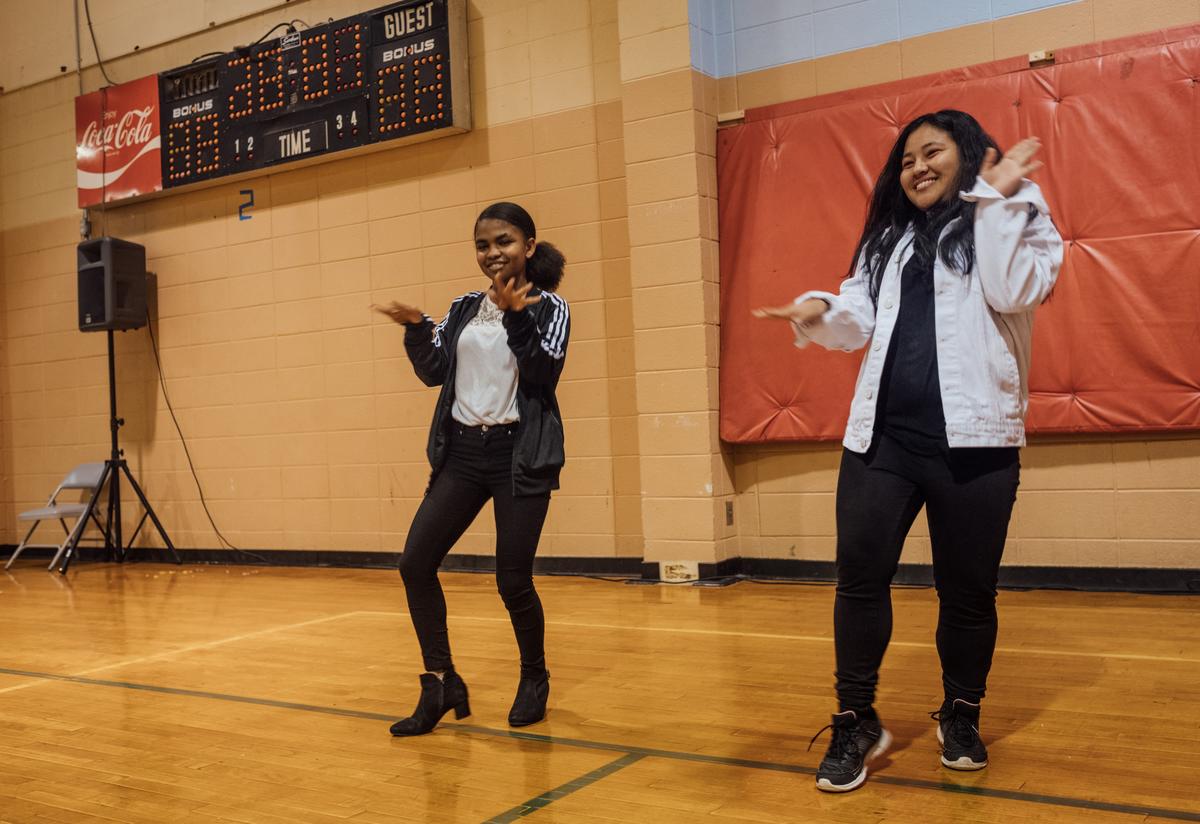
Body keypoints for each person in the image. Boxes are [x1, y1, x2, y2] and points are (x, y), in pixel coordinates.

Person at [754, 110, 1063, 792]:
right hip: (882, 440)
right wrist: (818, 311)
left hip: (976, 444)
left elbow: (1015, 289)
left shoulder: (1018, 206)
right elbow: (856, 316)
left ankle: (961, 712)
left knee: (968, 592)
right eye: (905, 159)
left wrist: (999, 196)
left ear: (971, 154)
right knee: (859, 580)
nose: (916, 168)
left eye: (932, 153)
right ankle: (856, 718)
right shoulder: (889, 238)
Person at [374, 201, 570, 736]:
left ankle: (534, 678)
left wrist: (514, 313)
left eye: (503, 242)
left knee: (512, 580)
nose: (492, 253)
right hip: (461, 454)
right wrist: (417, 328)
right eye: (483, 245)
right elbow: (435, 373)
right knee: (415, 563)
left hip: (517, 456)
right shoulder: (462, 307)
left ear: (529, 246)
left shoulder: (551, 307)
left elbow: (541, 370)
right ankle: (440, 682)